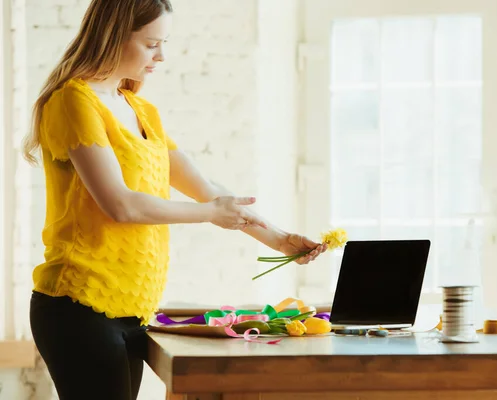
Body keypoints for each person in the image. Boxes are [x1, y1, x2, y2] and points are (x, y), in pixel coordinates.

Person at [22, 1, 327, 399]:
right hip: (79, 306)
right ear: (114, 36)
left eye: (163, 43)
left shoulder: (141, 110)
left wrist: (279, 239)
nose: (161, 56)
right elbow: (121, 204)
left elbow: (208, 189)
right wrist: (207, 215)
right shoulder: (74, 101)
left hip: (131, 308)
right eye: (152, 44)